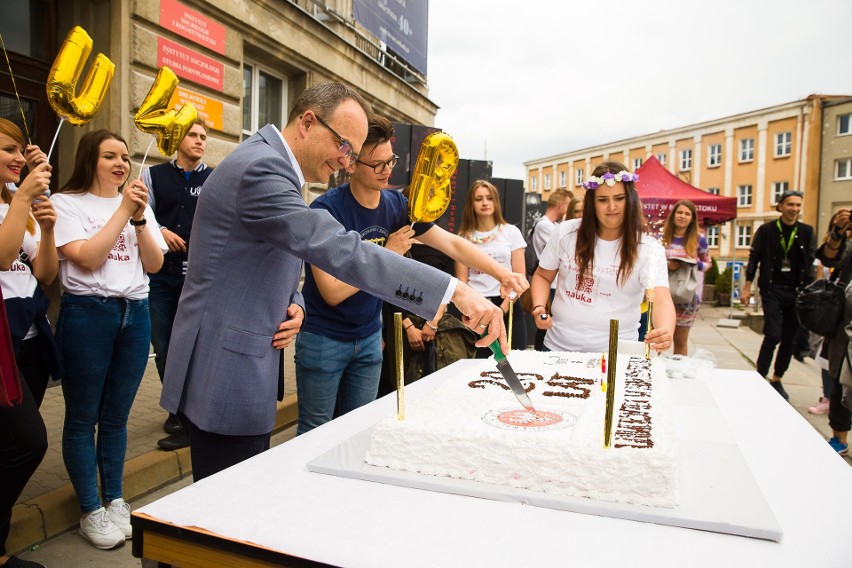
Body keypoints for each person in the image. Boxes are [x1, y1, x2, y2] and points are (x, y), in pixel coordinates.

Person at [159, 82, 506, 482]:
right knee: (225, 511)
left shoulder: (272, 163)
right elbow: (340, 250)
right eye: (344, 147)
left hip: (240, 358)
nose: (345, 162)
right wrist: (455, 290)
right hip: (224, 371)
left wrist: (295, 304)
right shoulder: (261, 168)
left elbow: (265, 258)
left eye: (352, 154)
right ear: (308, 122)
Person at [295, 116, 526, 435]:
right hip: (324, 336)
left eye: (390, 160)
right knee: (315, 430)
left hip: (369, 337)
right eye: (377, 164)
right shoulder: (326, 209)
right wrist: (388, 253)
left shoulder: (396, 204)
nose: (387, 170)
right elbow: (332, 291)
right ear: (351, 164)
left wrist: (503, 273)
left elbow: (452, 244)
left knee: (359, 428)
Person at [51, 130, 167, 549]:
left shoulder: (138, 206)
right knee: (83, 418)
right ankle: (90, 508)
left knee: (116, 416)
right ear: (90, 161)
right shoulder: (67, 203)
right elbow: (86, 256)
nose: (121, 164)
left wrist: (139, 218)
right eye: (109, 157)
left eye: (124, 156)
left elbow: (153, 263)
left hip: (135, 314)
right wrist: (124, 210)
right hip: (88, 315)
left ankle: (115, 498)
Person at [529, 161, 675, 353]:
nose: (612, 206)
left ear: (630, 199)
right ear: (592, 202)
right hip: (557, 348)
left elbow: (661, 299)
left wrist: (665, 330)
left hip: (616, 353)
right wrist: (539, 306)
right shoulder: (566, 232)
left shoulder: (648, 248)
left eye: (620, 198)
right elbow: (542, 275)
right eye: (603, 200)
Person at [0, 118, 52, 568]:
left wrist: (48, 228)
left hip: (30, 339)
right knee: (28, 441)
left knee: (12, 444)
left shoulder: (16, 203)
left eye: (20, 149)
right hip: (2, 343)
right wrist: (22, 196)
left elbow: (44, 275)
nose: (18, 158)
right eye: (7, 150)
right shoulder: (14, 201)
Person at [142, 119, 213, 451]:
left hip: (197, 278)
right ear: (179, 138)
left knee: (194, 345)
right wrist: (161, 232)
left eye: (203, 136)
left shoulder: (213, 178)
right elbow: (140, 211)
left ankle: (188, 414)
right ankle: (176, 406)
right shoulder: (153, 175)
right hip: (159, 275)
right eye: (193, 135)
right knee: (164, 344)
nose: (199, 141)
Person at [741, 190, 815, 400]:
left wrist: (809, 293)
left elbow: (810, 262)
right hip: (772, 289)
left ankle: (777, 378)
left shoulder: (807, 231)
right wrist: (747, 287)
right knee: (773, 334)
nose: (794, 209)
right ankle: (760, 374)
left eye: (798, 205)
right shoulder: (766, 230)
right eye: (790, 204)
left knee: (790, 338)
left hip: (797, 292)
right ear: (780, 206)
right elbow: (754, 259)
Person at [456, 180, 528, 356]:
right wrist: (474, 310)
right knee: (478, 367)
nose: (485, 202)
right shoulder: (463, 237)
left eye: (489, 198)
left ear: (496, 201)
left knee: (515, 360)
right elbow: (462, 281)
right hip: (478, 308)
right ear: (471, 205)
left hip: (509, 305)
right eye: (478, 198)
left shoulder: (511, 232)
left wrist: (503, 308)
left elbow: (520, 277)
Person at [814, 208, 852, 455]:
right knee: (840, 376)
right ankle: (839, 437)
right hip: (844, 323)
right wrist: (837, 231)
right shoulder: (848, 245)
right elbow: (829, 257)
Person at [661, 200, 711, 355]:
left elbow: (707, 263)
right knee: (659, 339)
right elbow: (650, 262)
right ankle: (655, 372)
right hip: (663, 295)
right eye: (680, 212)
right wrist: (667, 265)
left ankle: (679, 373)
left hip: (687, 297)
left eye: (687, 214)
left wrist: (692, 264)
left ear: (692, 219)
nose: (683, 216)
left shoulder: (698, 239)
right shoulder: (661, 236)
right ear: (673, 215)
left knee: (681, 340)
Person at [530, 188, 570, 350]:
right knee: (545, 324)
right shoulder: (545, 226)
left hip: (555, 283)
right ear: (561, 205)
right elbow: (565, 248)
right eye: (569, 204)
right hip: (550, 283)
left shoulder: (553, 225)